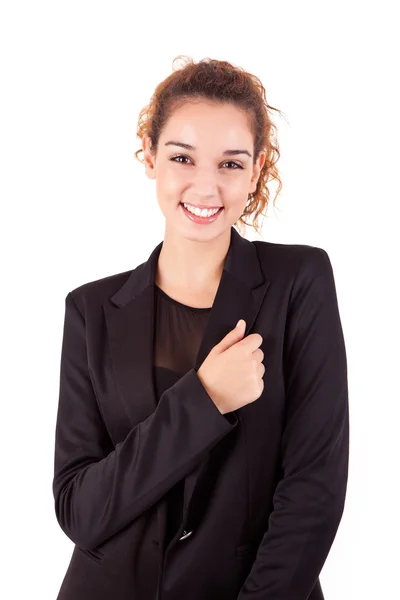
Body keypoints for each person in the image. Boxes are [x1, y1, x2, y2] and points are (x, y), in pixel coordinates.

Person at [52, 56, 349, 600]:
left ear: (257, 169)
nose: (206, 187)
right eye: (182, 157)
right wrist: (205, 397)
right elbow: (80, 512)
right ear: (150, 156)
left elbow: (314, 489)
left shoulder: (298, 281)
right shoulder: (91, 310)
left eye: (231, 164)